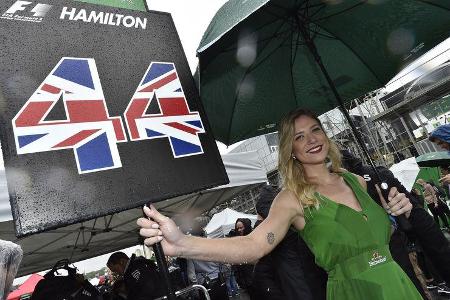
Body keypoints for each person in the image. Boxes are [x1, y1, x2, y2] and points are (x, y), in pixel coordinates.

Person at [137, 108, 421, 299]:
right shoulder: (292, 199)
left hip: (399, 282)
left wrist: (396, 211)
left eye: (315, 130)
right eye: (299, 137)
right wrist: (182, 243)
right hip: (354, 291)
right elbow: (253, 246)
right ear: (291, 150)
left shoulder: (357, 181)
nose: (311, 139)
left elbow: (378, 236)